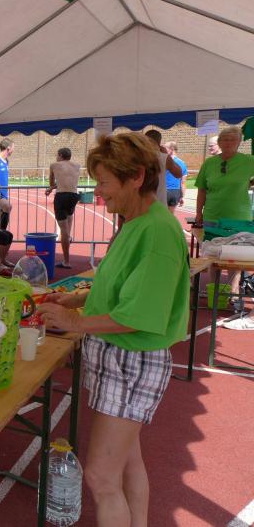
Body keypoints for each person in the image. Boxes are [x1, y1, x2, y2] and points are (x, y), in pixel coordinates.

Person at [39, 132, 189, 527]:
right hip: (120, 355)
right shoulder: (137, 223)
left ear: (136, 177)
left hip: (131, 358)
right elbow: (122, 290)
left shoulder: (156, 232)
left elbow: (140, 315)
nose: (98, 193)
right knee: (127, 462)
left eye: (104, 182)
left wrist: (75, 323)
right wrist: (76, 299)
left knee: (101, 476)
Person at [194, 126, 254, 310]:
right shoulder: (209, 164)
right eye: (224, 140)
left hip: (239, 217)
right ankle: (215, 289)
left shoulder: (249, 161)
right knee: (214, 255)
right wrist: (198, 212)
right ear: (219, 143)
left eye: (232, 140)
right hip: (213, 215)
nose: (228, 143)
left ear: (239, 142)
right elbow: (202, 189)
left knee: (235, 256)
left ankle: (233, 291)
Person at [45, 147, 81, 268]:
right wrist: (53, 187)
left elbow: (52, 183)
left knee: (63, 231)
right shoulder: (77, 166)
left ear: (60, 155)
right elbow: (66, 181)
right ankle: (68, 239)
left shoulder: (54, 165)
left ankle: (66, 261)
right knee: (68, 227)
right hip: (74, 196)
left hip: (61, 197)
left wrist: (51, 188)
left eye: (57, 155)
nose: (56, 157)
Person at [143, 129, 183, 207]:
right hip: (159, 202)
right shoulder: (164, 157)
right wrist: (167, 154)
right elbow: (179, 174)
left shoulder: (137, 156)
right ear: (159, 142)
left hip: (141, 202)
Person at [164, 142, 188, 214]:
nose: (163, 149)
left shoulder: (165, 161)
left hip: (165, 190)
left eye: (165, 148)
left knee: (160, 214)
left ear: (171, 149)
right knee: (171, 215)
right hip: (175, 191)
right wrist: (183, 197)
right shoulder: (182, 163)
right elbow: (183, 182)